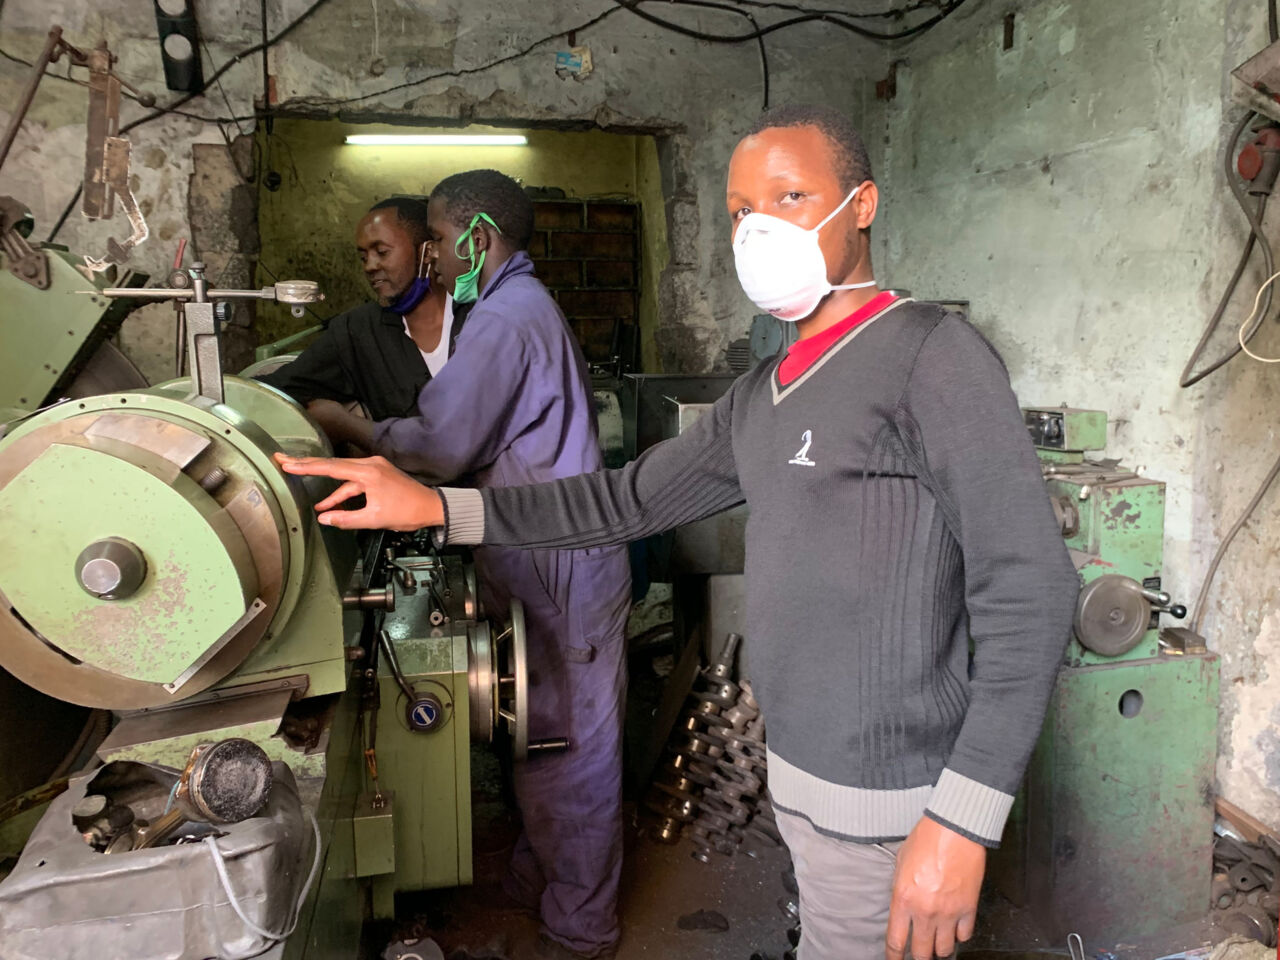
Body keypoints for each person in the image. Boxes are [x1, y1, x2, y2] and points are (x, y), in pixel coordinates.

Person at [275, 106, 1079, 960]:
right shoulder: (766, 391)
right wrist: (441, 509)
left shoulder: (932, 355)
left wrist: (964, 815)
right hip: (800, 773)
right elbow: (623, 500)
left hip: (891, 790)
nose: (758, 229)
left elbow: (1030, 584)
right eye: (740, 212)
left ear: (864, 205)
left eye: (792, 196)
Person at [297, 170, 632, 960]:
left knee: (567, 744)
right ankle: (538, 875)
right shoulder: (510, 308)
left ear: (478, 237)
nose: (434, 259)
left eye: (440, 242)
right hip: (536, 552)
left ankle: (582, 926)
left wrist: (351, 423)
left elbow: (442, 445)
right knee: (537, 733)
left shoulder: (508, 317)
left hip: (561, 564)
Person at [258, 196, 469, 438]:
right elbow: (275, 389)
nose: (369, 266)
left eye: (381, 252)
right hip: (405, 475)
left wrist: (347, 424)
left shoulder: (482, 316)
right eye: (363, 257)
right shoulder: (356, 331)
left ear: (427, 252)